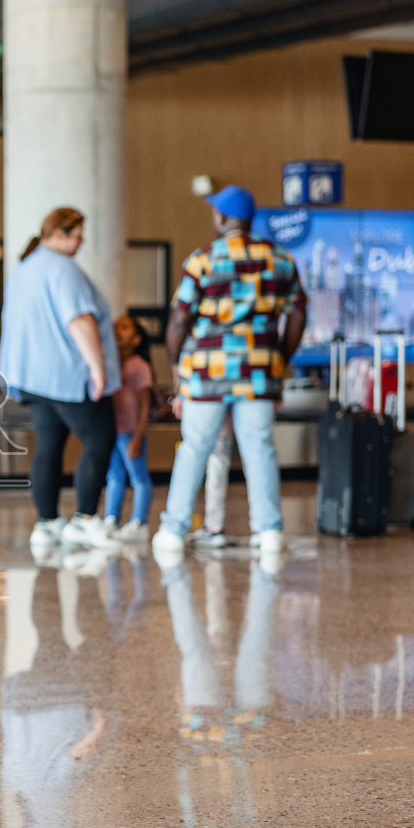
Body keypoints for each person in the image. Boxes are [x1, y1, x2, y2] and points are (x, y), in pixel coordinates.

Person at [152, 185, 306, 561]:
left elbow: (178, 319)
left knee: (194, 449)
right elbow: (298, 315)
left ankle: (173, 530)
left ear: (221, 218)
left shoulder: (203, 260)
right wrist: (279, 359)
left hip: (208, 373)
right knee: (260, 449)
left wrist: (175, 366)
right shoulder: (281, 259)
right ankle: (268, 531)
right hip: (259, 373)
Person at [0, 206, 122, 552]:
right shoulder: (63, 270)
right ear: (60, 234)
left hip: (33, 376)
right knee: (100, 439)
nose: (81, 242)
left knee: (48, 447)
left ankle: (47, 523)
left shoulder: (25, 268)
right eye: (78, 234)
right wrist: (98, 367)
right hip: (66, 374)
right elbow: (79, 321)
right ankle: (84, 519)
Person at [103, 315, 154, 542]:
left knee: (139, 477)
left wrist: (138, 436)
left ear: (136, 339)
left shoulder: (139, 367)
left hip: (130, 432)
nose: (117, 331)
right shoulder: (111, 364)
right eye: (115, 327)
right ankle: (110, 519)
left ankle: (139, 522)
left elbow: (145, 404)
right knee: (114, 476)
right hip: (112, 431)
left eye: (124, 328)